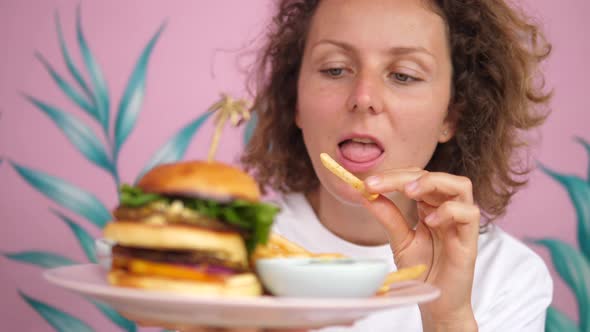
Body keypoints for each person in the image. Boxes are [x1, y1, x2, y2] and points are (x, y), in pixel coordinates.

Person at [237, 0, 554, 331]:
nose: (364, 97)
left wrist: (446, 317)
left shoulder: (509, 278)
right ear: (296, 100)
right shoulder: (228, 255)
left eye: (403, 75)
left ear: (451, 114)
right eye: (334, 69)